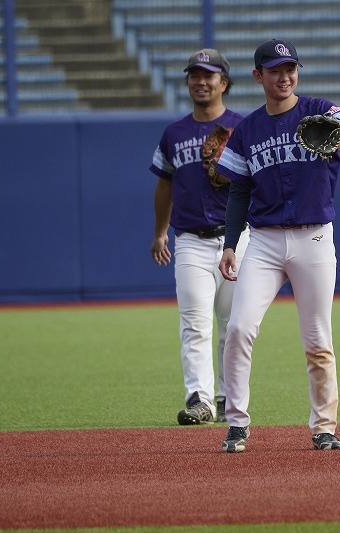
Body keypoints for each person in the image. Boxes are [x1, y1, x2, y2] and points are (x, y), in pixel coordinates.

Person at [215, 38, 340, 452]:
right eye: (275, 70)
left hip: (313, 237)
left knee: (317, 340)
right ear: (258, 76)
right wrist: (230, 244)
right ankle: (236, 423)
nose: (284, 77)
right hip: (263, 241)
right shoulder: (247, 130)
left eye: (290, 69)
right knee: (239, 328)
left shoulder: (319, 109)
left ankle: (324, 428)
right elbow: (239, 191)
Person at [149, 48, 249, 426]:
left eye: (209, 75)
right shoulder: (174, 133)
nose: (201, 81)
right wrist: (160, 232)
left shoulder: (243, 127)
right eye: (195, 75)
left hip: (238, 238)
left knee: (233, 325)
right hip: (190, 239)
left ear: (224, 82)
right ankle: (199, 399)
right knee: (194, 323)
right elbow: (164, 186)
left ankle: (227, 398)